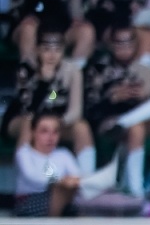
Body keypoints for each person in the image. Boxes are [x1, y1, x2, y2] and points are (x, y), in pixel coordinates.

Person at [82, 20, 150, 195]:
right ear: (111, 44)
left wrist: (142, 98)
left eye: (129, 42)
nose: (124, 47)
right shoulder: (97, 68)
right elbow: (88, 108)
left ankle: (126, 121)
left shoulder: (143, 67)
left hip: (139, 118)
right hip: (109, 120)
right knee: (136, 129)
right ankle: (136, 191)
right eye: (119, 42)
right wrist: (112, 98)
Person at [5, 31, 92, 174]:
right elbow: (30, 107)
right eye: (46, 49)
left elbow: (74, 110)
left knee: (81, 127)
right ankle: (26, 174)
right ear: (38, 49)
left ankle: (86, 182)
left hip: (55, 121)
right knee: (30, 121)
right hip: (22, 118)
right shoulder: (26, 70)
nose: (52, 55)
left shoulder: (71, 71)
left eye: (57, 50)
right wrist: (45, 81)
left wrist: (59, 121)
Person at [13, 112, 83, 219]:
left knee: (89, 221)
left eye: (55, 132)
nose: (50, 137)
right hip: (29, 204)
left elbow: (77, 176)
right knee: (59, 189)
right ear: (33, 132)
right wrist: (62, 181)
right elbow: (33, 177)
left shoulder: (63, 154)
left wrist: (69, 182)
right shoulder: (24, 153)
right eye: (44, 131)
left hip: (64, 205)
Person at [8, 0, 95, 65]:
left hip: (59, 28)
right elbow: (14, 9)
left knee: (86, 30)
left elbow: (76, 14)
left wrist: (77, 19)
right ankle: (30, 72)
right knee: (28, 27)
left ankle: (72, 73)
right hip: (27, 26)